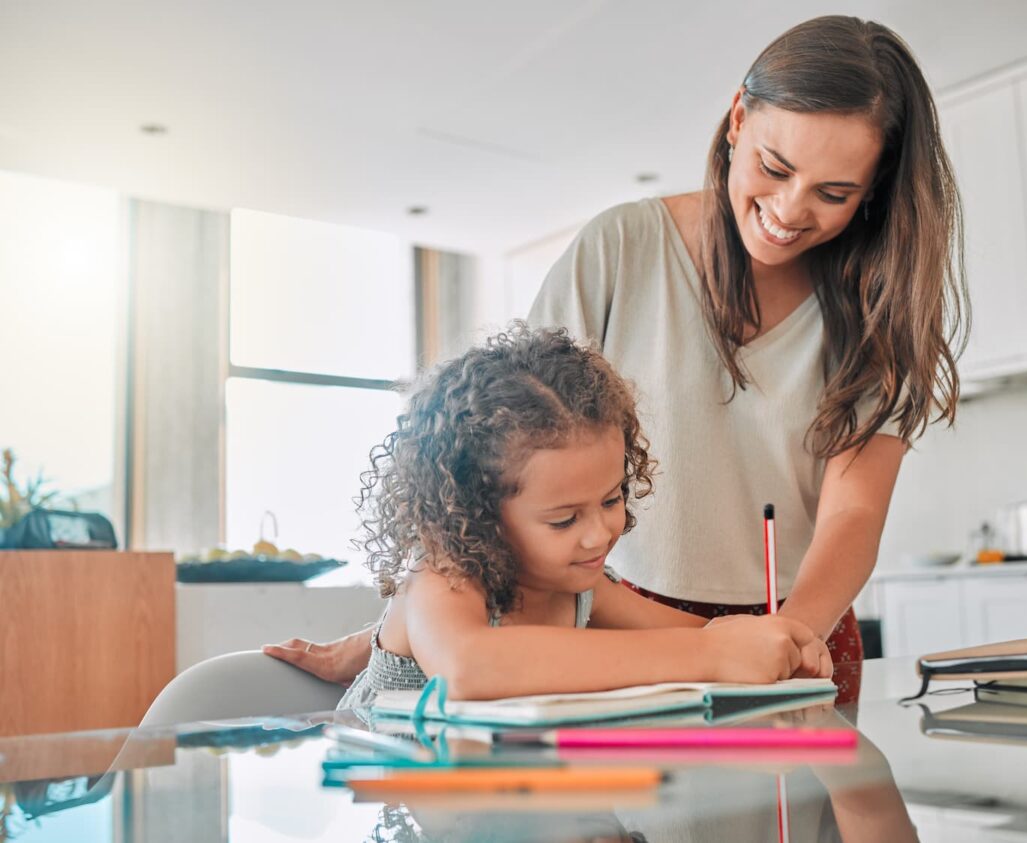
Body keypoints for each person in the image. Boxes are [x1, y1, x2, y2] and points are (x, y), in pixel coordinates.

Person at [268, 15, 965, 703]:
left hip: (794, 623)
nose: (788, 209)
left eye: (834, 193)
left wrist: (787, 637)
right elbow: (488, 446)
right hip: (610, 606)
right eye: (774, 167)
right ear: (737, 120)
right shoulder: (621, 248)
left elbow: (854, 515)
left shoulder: (877, 305)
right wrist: (391, 629)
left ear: (872, 190)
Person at [335, 325, 831, 709]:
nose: (600, 535)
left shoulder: (584, 591)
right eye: (563, 520)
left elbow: (703, 636)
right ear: (476, 514)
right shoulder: (443, 578)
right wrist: (712, 657)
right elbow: (466, 667)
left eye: (612, 500)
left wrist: (777, 642)